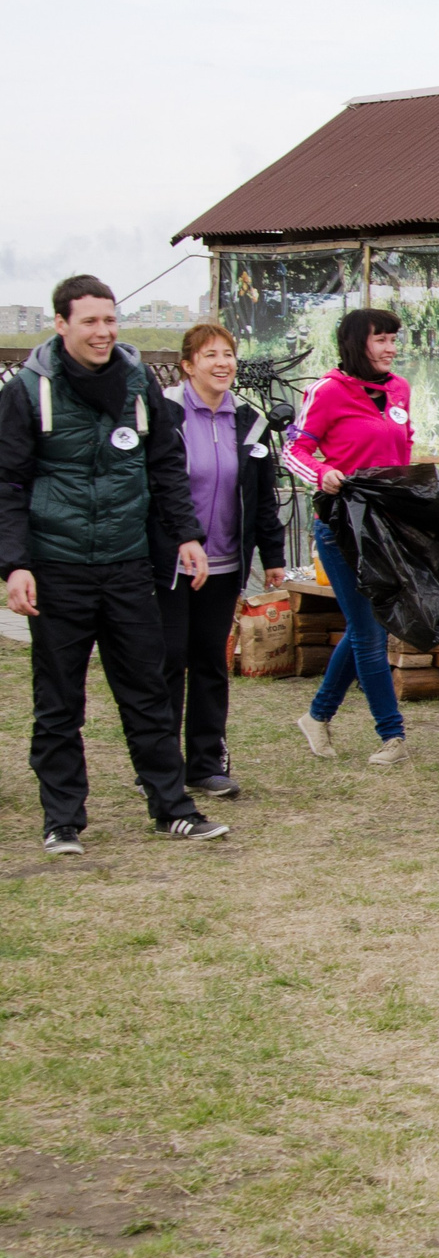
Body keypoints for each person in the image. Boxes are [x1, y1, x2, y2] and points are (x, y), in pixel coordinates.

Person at [0, 275, 226, 851]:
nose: (103, 332)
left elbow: (164, 466)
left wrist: (185, 535)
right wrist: (14, 565)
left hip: (128, 565)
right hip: (57, 567)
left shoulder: (137, 383)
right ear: (61, 325)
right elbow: (8, 482)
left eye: (110, 320)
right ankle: (63, 821)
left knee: (148, 690)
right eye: (90, 322)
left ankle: (172, 807)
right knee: (58, 701)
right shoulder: (29, 390)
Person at [160, 324, 287, 799]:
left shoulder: (247, 421)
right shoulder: (165, 414)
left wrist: (271, 555)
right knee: (169, 659)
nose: (222, 363)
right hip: (172, 564)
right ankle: (160, 763)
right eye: (210, 354)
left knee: (210, 661)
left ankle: (206, 763)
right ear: (188, 365)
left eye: (229, 354)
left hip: (225, 562)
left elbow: (262, 495)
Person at [288, 307, 418, 767]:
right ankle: (393, 734)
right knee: (368, 631)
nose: (391, 348)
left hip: (386, 528)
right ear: (355, 343)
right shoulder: (325, 391)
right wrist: (322, 472)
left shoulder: (399, 389)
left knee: (368, 628)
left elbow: (403, 449)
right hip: (340, 527)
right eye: (381, 339)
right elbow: (294, 449)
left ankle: (318, 716)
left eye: (393, 339)